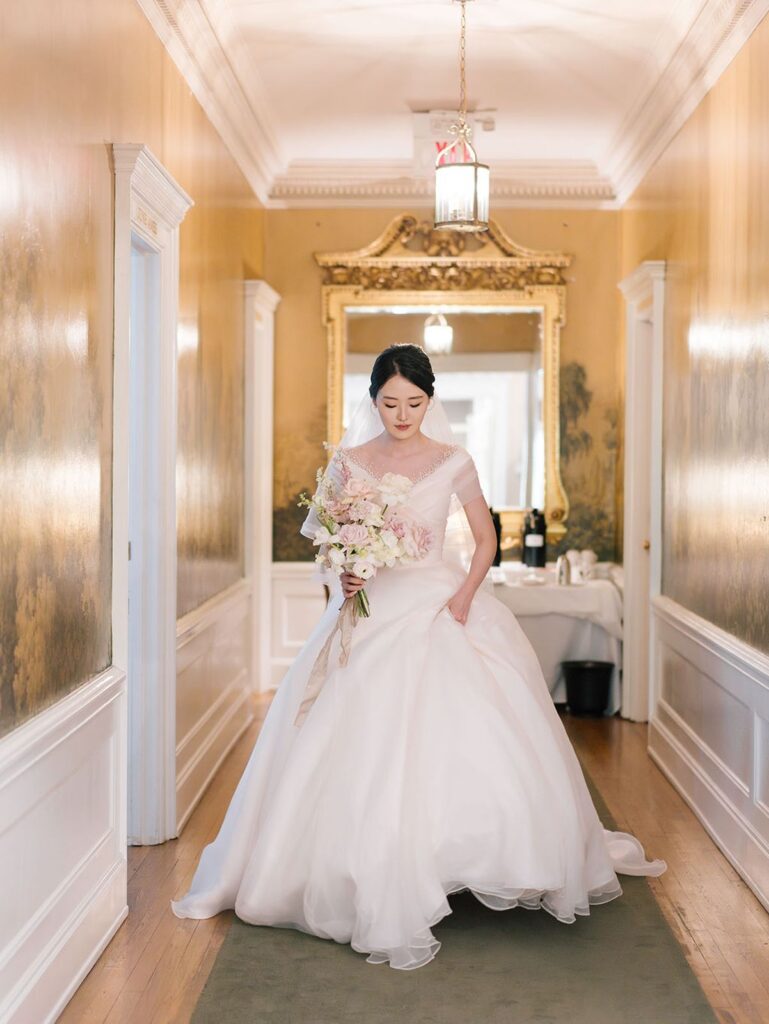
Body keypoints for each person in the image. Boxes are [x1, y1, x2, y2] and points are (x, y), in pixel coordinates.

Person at [171, 343, 666, 970]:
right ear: (372, 398)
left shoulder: (454, 461)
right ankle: (355, 868)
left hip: (438, 605)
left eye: (414, 402)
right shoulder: (348, 463)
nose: (402, 413)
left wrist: (462, 599)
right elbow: (324, 546)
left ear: (430, 400)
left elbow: (486, 541)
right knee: (347, 739)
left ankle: (465, 861)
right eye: (389, 402)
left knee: (471, 734)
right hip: (367, 612)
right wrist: (342, 575)